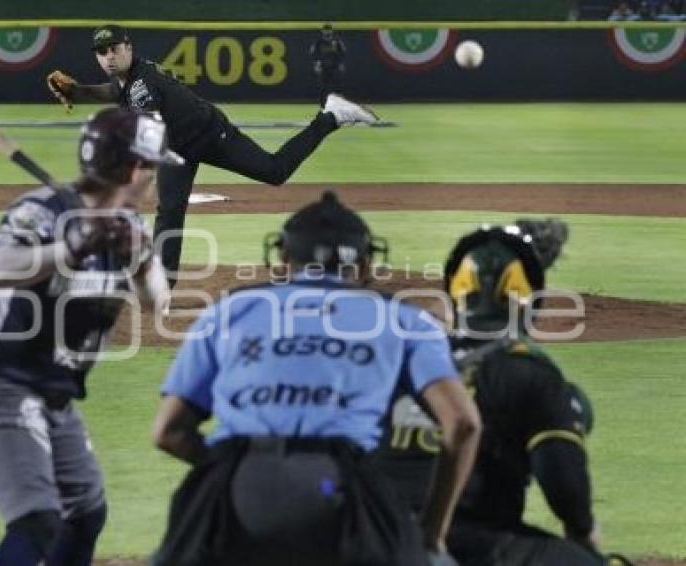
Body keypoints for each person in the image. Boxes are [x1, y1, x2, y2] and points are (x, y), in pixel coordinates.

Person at [149, 191, 482, 566]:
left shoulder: (230, 310)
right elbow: (463, 424)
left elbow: (168, 432)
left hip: (237, 492)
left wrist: (236, 469)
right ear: (365, 264)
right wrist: (432, 536)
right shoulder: (405, 320)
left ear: (284, 258)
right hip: (342, 490)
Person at [0, 108, 173, 565]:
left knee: (86, 513)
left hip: (53, 395)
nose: (154, 181)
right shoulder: (41, 211)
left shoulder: (128, 225)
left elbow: (157, 304)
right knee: (37, 523)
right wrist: (69, 248)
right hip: (0, 385)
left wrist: (143, 262)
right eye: (153, 168)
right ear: (133, 169)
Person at [46, 24, 378, 288]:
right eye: (101, 52)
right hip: (179, 147)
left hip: (210, 136)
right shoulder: (130, 77)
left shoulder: (141, 84)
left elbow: (150, 131)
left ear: (128, 47)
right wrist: (78, 91)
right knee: (170, 211)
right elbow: (115, 92)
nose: (107, 56)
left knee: (275, 171)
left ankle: (330, 117)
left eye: (113, 48)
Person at [376, 219, 621, 565]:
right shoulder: (528, 372)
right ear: (527, 301)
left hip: (374, 540)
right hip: (474, 540)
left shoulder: (397, 361)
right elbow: (563, 482)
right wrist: (583, 534)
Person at [310, 23, 347, 103]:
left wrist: (341, 63)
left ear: (331, 31)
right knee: (323, 86)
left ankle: (339, 103)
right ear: (322, 31)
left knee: (337, 85)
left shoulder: (337, 41)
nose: (327, 32)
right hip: (324, 67)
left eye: (328, 30)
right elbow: (314, 53)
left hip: (335, 66)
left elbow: (342, 52)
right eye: (325, 30)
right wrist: (317, 64)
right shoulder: (318, 42)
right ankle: (323, 104)